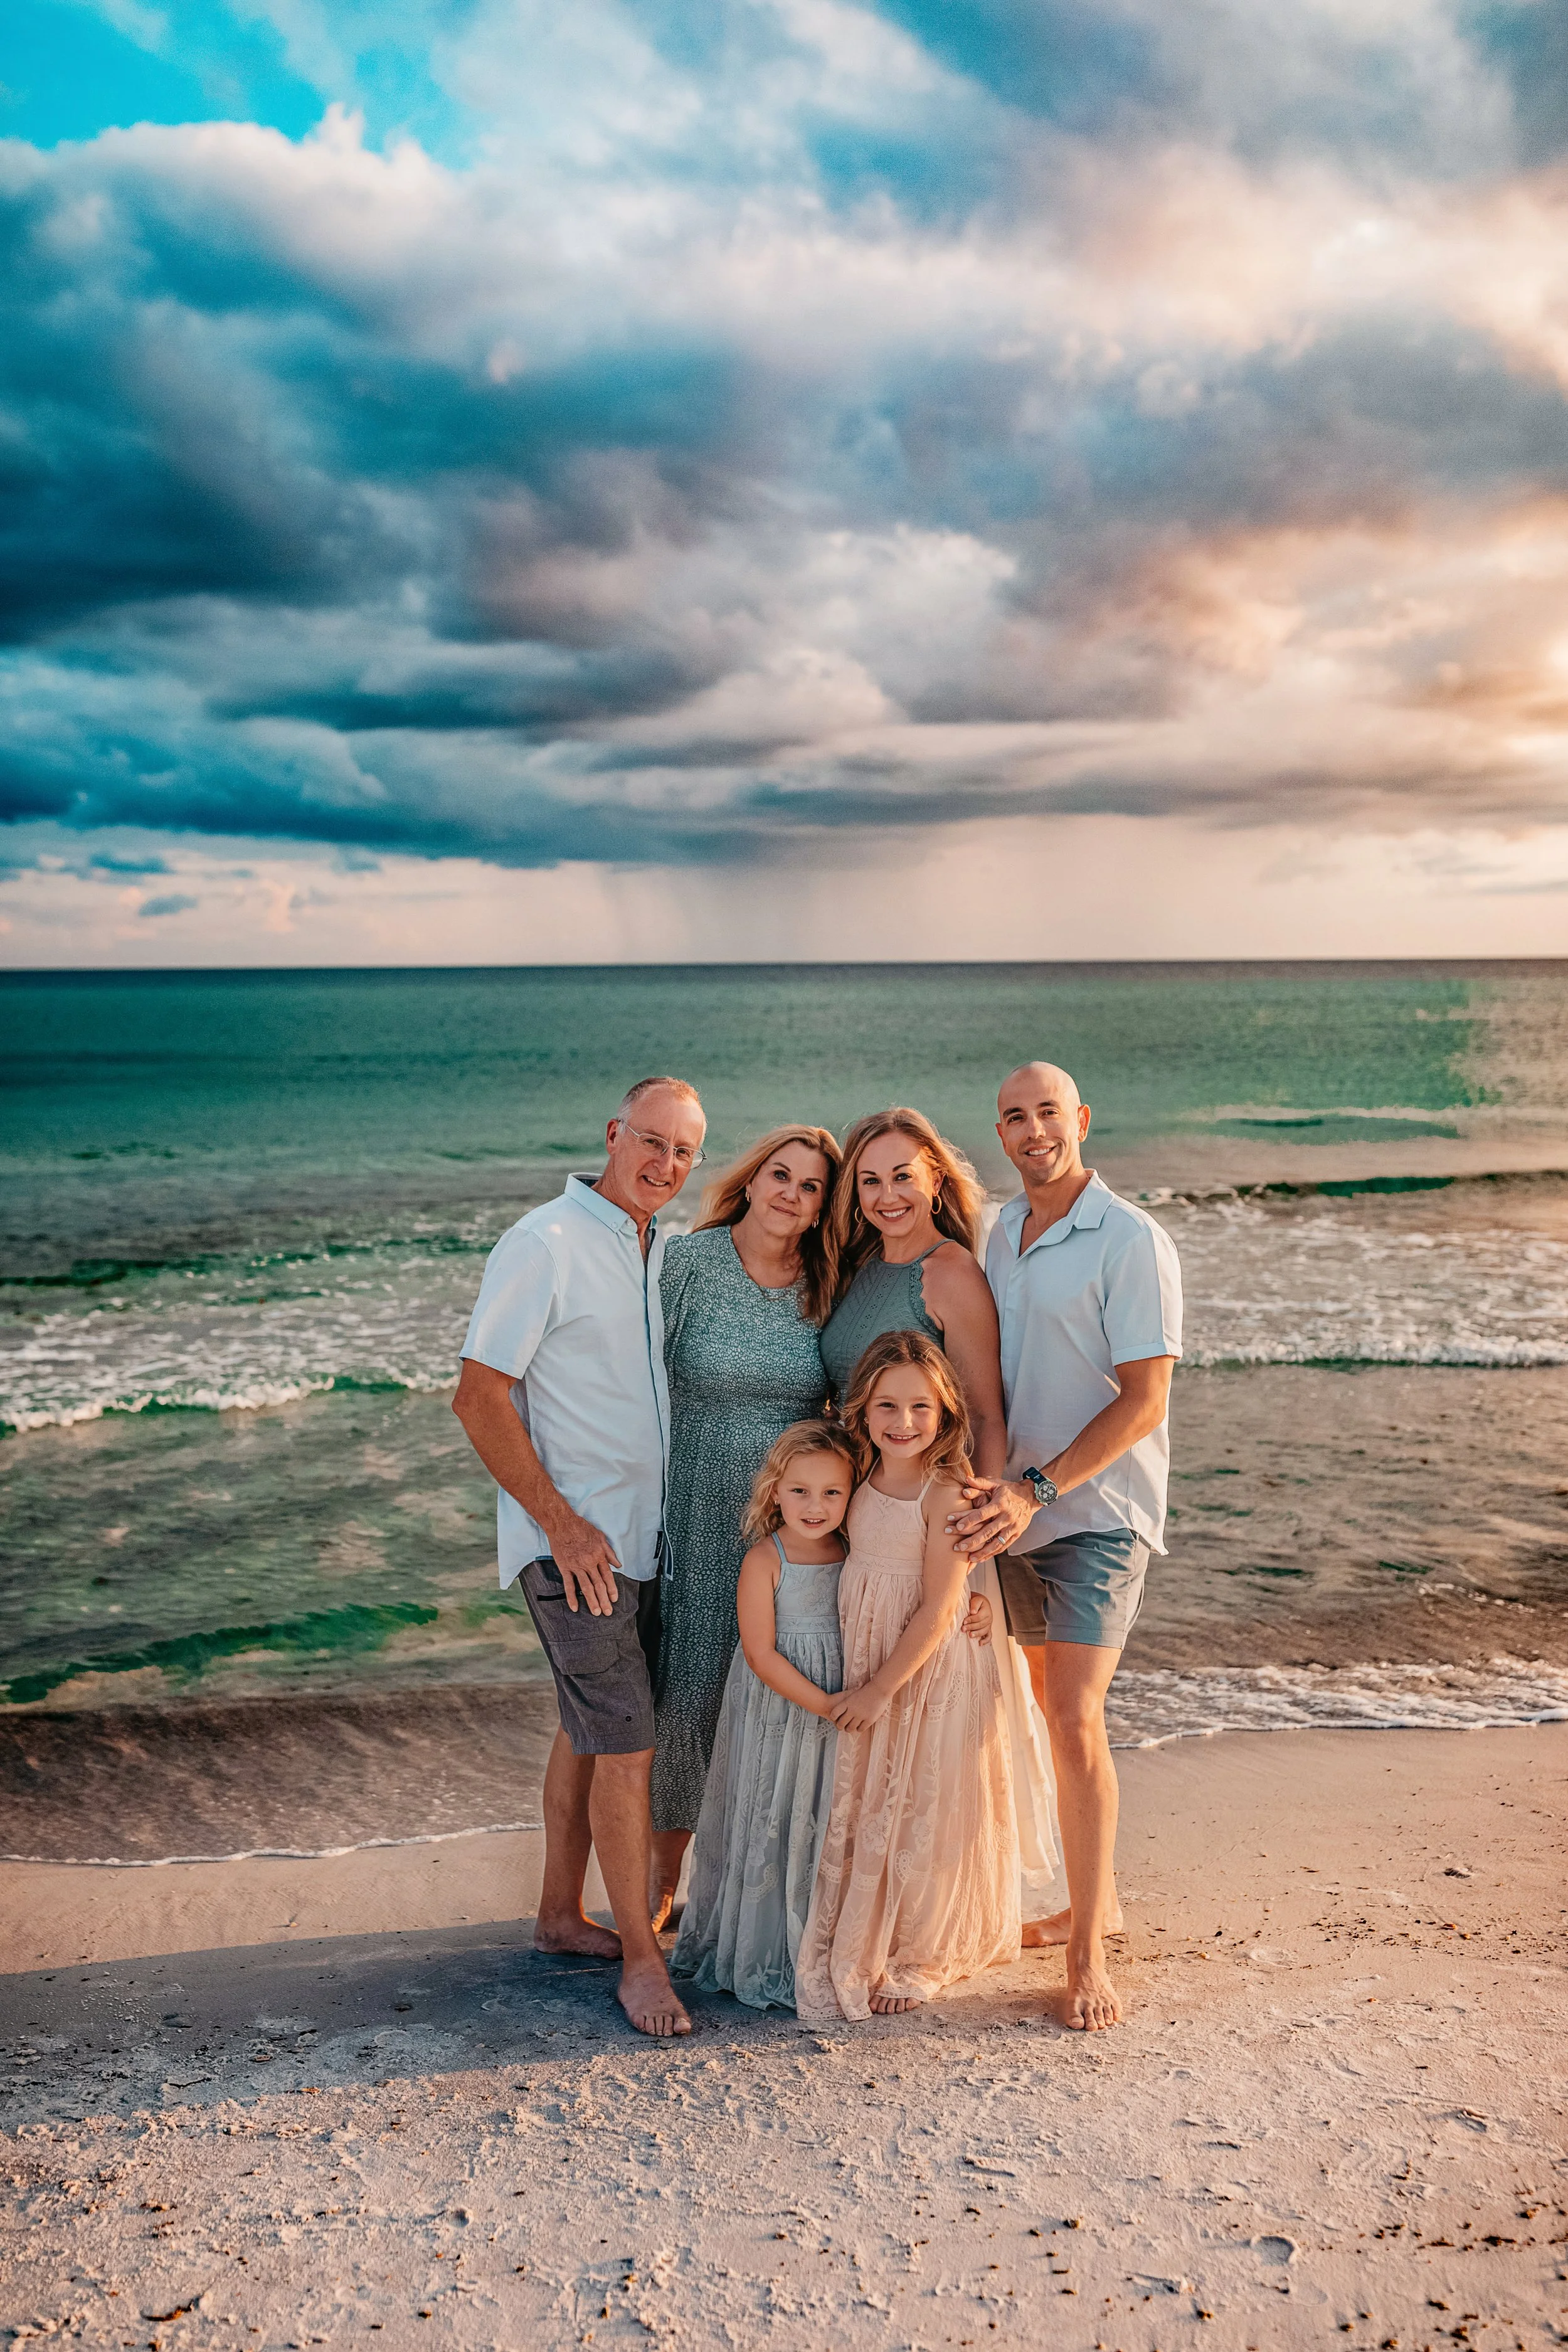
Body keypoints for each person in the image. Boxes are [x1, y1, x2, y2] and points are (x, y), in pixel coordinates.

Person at [451, 1076, 707, 2040]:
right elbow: (479, 1396)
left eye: (683, 1152)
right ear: (613, 1133)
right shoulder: (543, 1242)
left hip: (646, 1541)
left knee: (589, 1732)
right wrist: (560, 1522)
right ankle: (644, 1962)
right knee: (628, 1743)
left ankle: (561, 1915)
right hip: (577, 1550)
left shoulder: (655, 1251)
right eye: (651, 1142)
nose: (664, 1165)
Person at [949, 1061, 1183, 2036]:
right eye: (1014, 1116)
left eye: (1049, 1111)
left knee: (1076, 1716)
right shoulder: (1004, 1232)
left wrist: (1039, 1486)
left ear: (1080, 1118)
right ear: (1000, 1133)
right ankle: (1094, 1900)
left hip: (1095, 1515)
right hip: (1013, 1515)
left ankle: (1088, 1949)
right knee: (1040, 1713)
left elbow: (1145, 1398)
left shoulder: (1130, 1239)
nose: (1033, 1129)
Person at [818, 1106, 1062, 1923]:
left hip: (934, 1524)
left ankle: (951, 1905)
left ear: (934, 1179)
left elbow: (984, 1415)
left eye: (903, 1176)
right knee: (879, 1717)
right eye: (872, 1179)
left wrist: (977, 1531)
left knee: (942, 1723)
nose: (889, 1195)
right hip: (860, 1521)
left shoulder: (949, 1271)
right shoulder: (853, 1270)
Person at [795, 1331, 1019, 2023]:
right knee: (873, 1795)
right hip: (867, 1649)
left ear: (946, 1413)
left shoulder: (943, 1488)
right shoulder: (853, 1473)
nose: (903, 1423)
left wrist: (880, 1688)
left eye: (921, 1408)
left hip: (923, 1666)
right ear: (860, 1409)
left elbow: (940, 1605)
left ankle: (922, 1951)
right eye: (887, 1406)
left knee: (925, 1799)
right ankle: (882, 1926)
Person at [649, 1126, 840, 1929]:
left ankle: (762, 1889)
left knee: (780, 1696)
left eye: (809, 1186)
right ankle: (662, 1883)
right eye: (779, 1175)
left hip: (790, 1526)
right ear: (752, 1179)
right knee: (688, 1700)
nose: (789, 1193)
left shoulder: (829, 1287)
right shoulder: (690, 1263)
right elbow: (631, 1376)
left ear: (822, 1208)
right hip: (692, 1510)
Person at [670, 1419, 856, 2010]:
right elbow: (760, 1653)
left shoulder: (854, 1551)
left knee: (826, 1817)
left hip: (843, 1707)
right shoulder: (765, 1558)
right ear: (775, 1490)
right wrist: (823, 1704)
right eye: (800, 1490)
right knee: (775, 1811)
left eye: (832, 1492)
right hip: (783, 1708)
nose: (815, 1505)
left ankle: (825, 1945)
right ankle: (764, 1945)